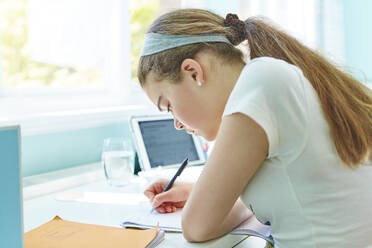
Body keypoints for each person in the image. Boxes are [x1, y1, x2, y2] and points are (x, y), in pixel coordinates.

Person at [138, 8, 372, 247]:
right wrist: (199, 191)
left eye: (168, 106)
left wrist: (203, 198)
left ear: (193, 72)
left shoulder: (260, 83)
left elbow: (195, 226)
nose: (176, 123)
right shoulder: (277, 74)